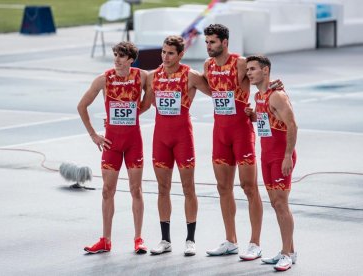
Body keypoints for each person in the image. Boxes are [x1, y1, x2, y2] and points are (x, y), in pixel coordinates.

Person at [141, 35, 211, 256]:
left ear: (181, 54)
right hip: (160, 138)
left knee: (188, 188)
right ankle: (165, 239)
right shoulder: (153, 76)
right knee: (163, 189)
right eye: (163, 52)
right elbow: (143, 105)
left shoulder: (191, 76)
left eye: (170, 53)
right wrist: (116, 117)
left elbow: (218, 92)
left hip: (183, 138)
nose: (165, 56)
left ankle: (190, 239)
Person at [78, 41, 149, 255]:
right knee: (108, 191)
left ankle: (138, 239)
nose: (117, 59)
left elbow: (148, 101)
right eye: (115, 55)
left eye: (121, 56)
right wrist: (93, 135)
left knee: (136, 190)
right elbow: (82, 106)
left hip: (133, 141)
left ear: (131, 59)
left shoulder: (143, 76)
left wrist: (133, 115)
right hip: (112, 143)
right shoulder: (103, 79)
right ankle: (105, 240)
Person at [203, 23, 264, 260]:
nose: (208, 46)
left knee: (249, 188)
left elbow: (261, 76)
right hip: (220, 133)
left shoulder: (240, 63)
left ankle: (255, 242)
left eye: (213, 42)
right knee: (222, 188)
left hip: (241, 132)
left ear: (225, 42)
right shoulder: (207, 65)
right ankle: (230, 240)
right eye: (207, 42)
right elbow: (209, 89)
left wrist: (271, 91)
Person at [245, 55, 298, 271]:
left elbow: (292, 125)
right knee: (276, 204)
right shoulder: (259, 96)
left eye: (253, 69)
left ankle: (287, 253)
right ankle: (289, 250)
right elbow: (269, 121)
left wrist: (287, 155)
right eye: (247, 69)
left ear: (265, 71)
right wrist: (254, 116)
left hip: (280, 156)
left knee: (281, 204)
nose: (249, 73)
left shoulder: (277, 96)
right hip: (266, 155)